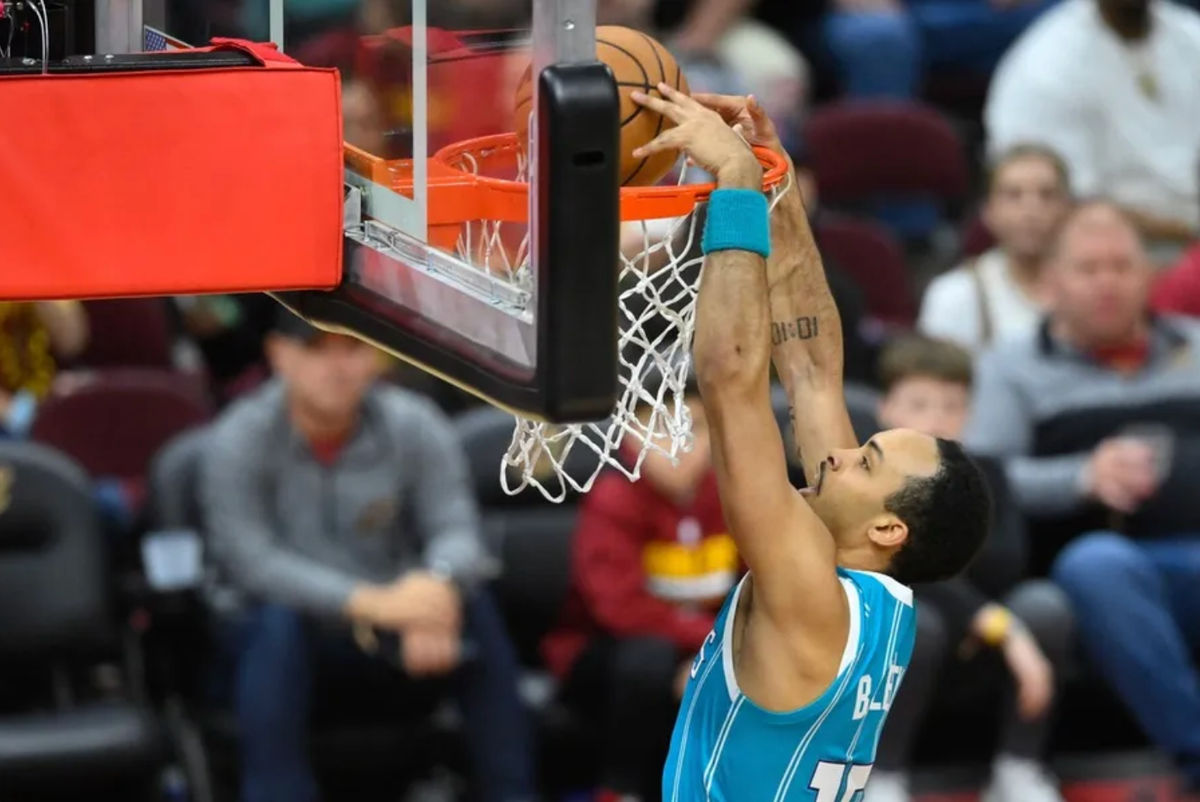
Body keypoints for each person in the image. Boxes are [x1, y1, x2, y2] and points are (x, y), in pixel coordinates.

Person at [627, 86, 991, 799]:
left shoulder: (808, 596)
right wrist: (777, 181)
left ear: (888, 526)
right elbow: (815, 374)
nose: (845, 453)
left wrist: (732, 183)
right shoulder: (877, 598)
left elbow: (732, 381)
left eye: (868, 462)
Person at [200, 311, 534, 802]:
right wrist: (371, 602)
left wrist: (436, 587)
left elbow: (458, 529)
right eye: (317, 350)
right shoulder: (238, 438)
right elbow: (252, 562)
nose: (337, 367)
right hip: (284, 637)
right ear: (279, 355)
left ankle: (514, 795)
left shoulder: (414, 423)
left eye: (352, 349)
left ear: (376, 356)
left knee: (473, 607)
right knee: (275, 626)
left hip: (394, 632)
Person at [965, 200, 1200, 796]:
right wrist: (1080, 477)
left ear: (1147, 276)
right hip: (1101, 568)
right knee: (1098, 564)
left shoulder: (1195, 346)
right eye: (1088, 268)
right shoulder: (1012, 368)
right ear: (1051, 283)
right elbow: (982, 480)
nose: (1107, 283)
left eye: (1121, 266)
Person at [866, 335, 1073, 802]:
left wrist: (981, 614)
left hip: (978, 642)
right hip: (906, 645)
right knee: (915, 618)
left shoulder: (989, 474)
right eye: (919, 404)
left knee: (1043, 604)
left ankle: (1019, 768)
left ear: (970, 413)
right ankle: (881, 776)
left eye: (951, 405)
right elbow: (900, 570)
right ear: (885, 409)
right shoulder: (865, 482)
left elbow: (1007, 565)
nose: (936, 418)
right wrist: (994, 620)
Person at [543, 379, 737, 802]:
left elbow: (759, 588)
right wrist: (716, 648)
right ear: (631, 433)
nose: (680, 445)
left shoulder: (735, 497)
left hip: (699, 645)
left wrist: (718, 653)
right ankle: (619, 789)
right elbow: (621, 611)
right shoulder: (613, 497)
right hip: (603, 654)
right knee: (647, 657)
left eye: (696, 429)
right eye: (664, 428)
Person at [985, 0, 1200, 261]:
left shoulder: (1190, 33)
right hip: (1106, 255)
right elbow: (1065, 204)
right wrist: (1186, 231)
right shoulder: (1045, 66)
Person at [917, 145, 1071, 353]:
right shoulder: (955, 295)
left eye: (1047, 195)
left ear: (1069, 209)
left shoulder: (1099, 288)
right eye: (1013, 195)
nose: (1031, 210)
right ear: (989, 212)